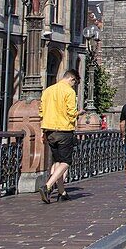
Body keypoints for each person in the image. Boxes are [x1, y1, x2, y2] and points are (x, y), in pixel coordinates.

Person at [38, 69, 81, 203]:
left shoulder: (48, 91)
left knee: (57, 161)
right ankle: (48, 186)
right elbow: (71, 113)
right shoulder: (69, 91)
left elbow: (41, 112)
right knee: (66, 162)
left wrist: (42, 131)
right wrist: (79, 112)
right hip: (63, 130)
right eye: (74, 83)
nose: (73, 86)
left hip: (49, 130)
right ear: (71, 79)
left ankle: (62, 192)